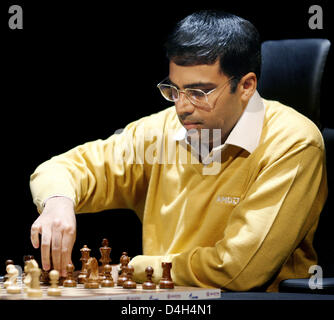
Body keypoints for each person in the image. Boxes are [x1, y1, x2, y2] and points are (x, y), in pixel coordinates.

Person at [30, 10, 327, 292]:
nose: (182, 108)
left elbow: (238, 269)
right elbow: (61, 168)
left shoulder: (292, 142)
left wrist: (135, 268)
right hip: (164, 302)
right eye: (174, 90)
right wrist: (58, 200)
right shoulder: (160, 130)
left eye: (199, 92)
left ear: (246, 85)